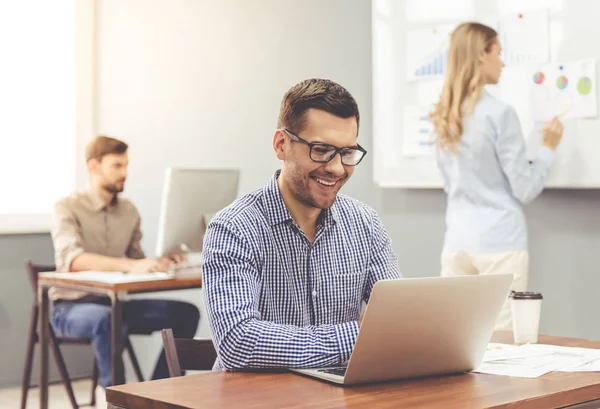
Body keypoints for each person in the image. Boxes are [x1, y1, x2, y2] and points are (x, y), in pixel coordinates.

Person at [202, 78, 402, 370]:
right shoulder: (234, 228)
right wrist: (359, 337)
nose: (336, 168)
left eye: (347, 153)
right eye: (320, 150)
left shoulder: (366, 224)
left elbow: (397, 320)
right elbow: (239, 341)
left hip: (339, 398)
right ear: (281, 145)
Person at [430, 22, 564, 330]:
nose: (502, 61)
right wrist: (547, 149)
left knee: (452, 336)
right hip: (501, 245)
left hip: (457, 242)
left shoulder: (442, 115)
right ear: (481, 55)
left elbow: (451, 184)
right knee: (501, 346)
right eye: (498, 52)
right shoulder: (500, 113)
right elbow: (525, 188)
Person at [50, 136, 200, 390]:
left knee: (185, 314)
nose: (125, 173)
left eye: (126, 165)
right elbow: (73, 260)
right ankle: (118, 403)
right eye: (117, 166)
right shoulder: (67, 207)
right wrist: (130, 265)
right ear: (94, 166)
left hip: (115, 305)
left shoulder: (129, 211)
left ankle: (156, 396)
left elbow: (136, 262)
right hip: (70, 307)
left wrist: (161, 261)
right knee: (107, 320)